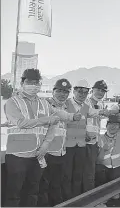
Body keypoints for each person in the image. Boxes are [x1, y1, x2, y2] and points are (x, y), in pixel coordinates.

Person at [4, 69, 81, 207]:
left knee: (33, 192)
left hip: (38, 155)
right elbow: (21, 123)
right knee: (14, 194)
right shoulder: (12, 102)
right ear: (22, 82)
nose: (33, 85)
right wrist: (47, 120)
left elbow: (58, 113)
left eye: (36, 82)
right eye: (29, 82)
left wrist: (72, 117)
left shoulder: (43, 103)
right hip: (18, 156)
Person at [38, 79, 80, 207]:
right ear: (53, 91)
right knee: (43, 186)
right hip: (47, 153)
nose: (62, 94)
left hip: (60, 153)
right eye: (59, 91)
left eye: (65, 92)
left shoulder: (66, 107)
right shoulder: (46, 105)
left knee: (56, 185)